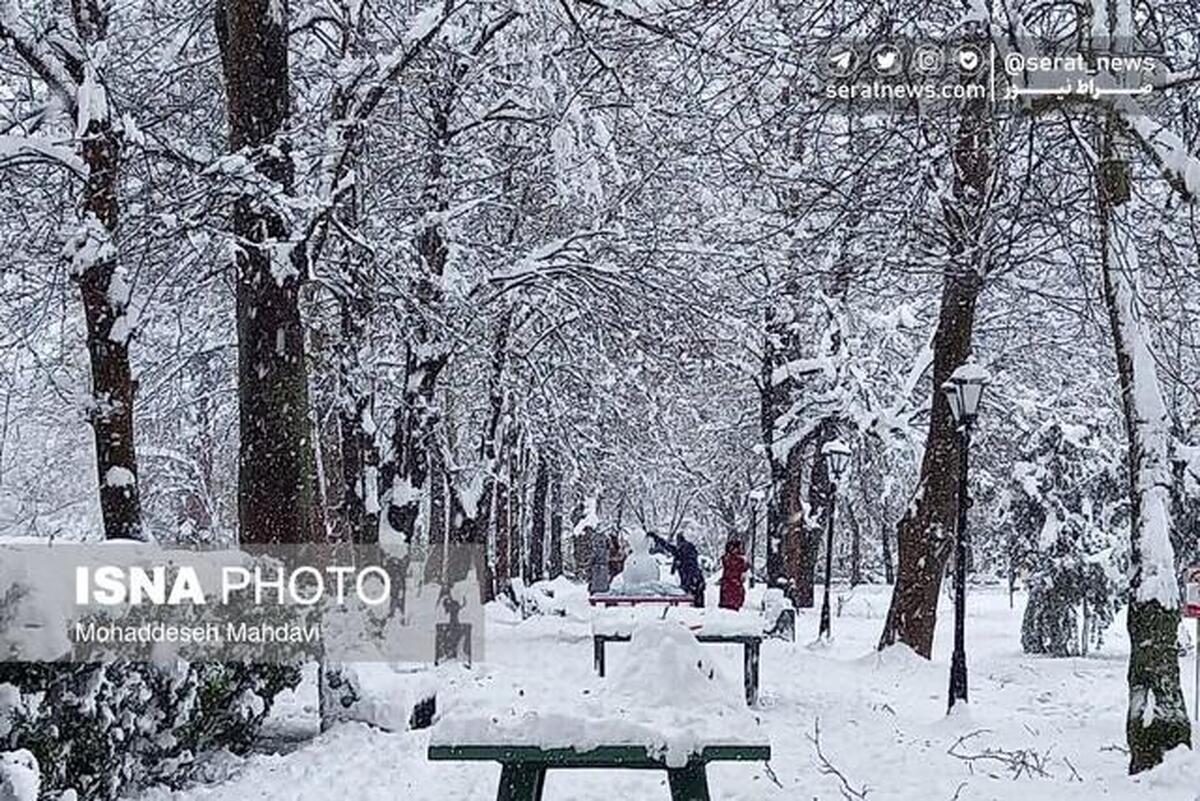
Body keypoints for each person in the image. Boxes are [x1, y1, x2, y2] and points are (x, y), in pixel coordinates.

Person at [649, 531, 706, 607]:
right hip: (697, 578)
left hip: (690, 579)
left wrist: (656, 537)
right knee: (697, 596)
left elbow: (668, 547)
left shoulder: (681, 550)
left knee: (692, 596)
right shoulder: (690, 549)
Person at [719, 539, 749, 610]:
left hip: (734, 586)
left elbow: (744, 570)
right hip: (729, 585)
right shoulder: (729, 558)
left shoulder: (740, 560)